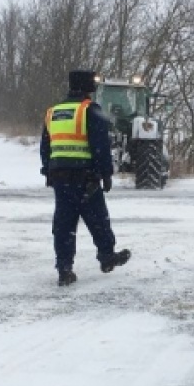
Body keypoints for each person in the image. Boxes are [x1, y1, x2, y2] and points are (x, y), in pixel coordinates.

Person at [40, 70, 130, 286]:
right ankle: (107, 256)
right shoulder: (89, 110)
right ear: (89, 88)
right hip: (86, 178)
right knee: (98, 218)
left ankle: (64, 268)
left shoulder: (53, 112)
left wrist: (48, 170)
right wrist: (106, 174)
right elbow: (100, 146)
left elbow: (46, 146)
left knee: (64, 224)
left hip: (61, 179)